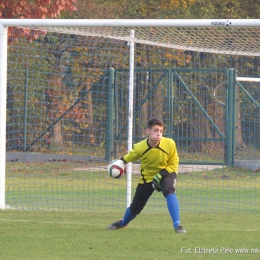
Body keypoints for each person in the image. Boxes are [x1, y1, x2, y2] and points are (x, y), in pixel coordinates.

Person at [107, 117, 186, 233]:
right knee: (135, 208)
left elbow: (174, 163)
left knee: (169, 190)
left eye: (161, 131)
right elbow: (129, 157)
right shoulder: (140, 147)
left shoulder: (169, 143)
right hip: (147, 178)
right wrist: (120, 163)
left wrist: (161, 174)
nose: (159, 134)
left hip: (167, 172)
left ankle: (177, 225)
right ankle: (122, 223)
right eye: (155, 130)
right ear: (148, 131)